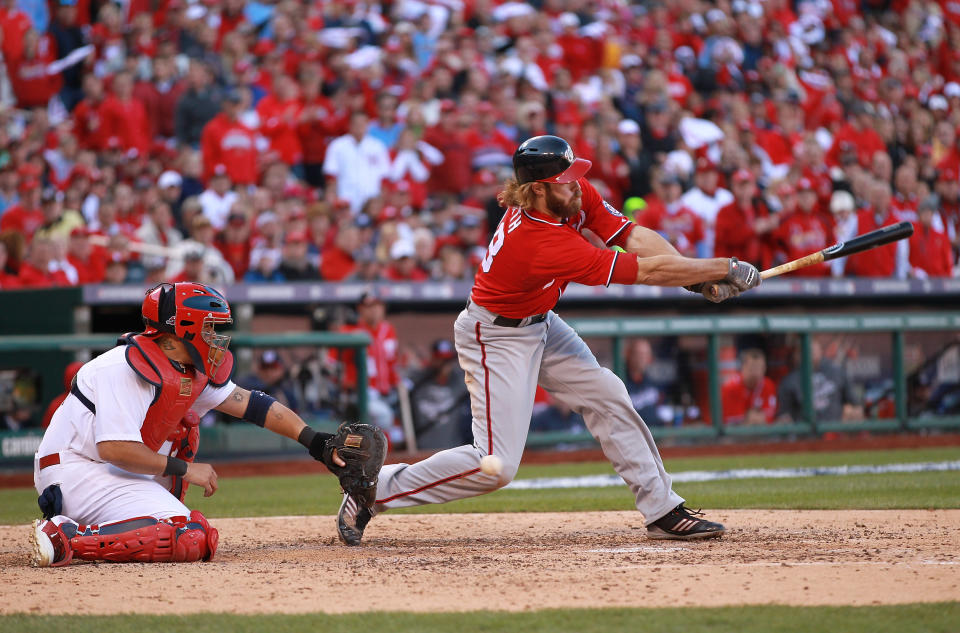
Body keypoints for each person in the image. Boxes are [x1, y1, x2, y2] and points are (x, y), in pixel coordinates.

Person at [335, 135, 761, 546]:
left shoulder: (568, 194)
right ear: (537, 189)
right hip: (495, 336)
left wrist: (693, 275)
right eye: (565, 181)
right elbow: (644, 271)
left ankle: (662, 510)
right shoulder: (538, 240)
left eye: (575, 176)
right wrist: (719, 268)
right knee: (496, 465)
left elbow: (633, 237)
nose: (576, 185)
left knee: (607, 393)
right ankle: (374, 488)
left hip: (540, 321)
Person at [30, 282, 374, 567]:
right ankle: (66, 537)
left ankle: (105, 526)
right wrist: (185, 469)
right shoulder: (122, 367)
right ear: (182, 330)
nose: (215, 336)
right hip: (76, 471)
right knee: (188, 535)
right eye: (209, 327)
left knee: (185, 430)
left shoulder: (185, 368)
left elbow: (256, 407)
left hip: (110, 472)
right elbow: (114, 448)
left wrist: (316, 442)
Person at [776, 338, 863, 424]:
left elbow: (855, 406)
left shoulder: (836, 372)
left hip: (834, 432)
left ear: (820, 351)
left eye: (814, 351)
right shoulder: (790, 381)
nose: (812, 355)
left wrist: (851, 415)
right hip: (804, 435)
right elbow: (784, 416)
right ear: (798, 355)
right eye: (808, 351)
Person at [406, 339, 471, 449]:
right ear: (433, 359)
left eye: (447, 361)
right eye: (439, 360)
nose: (444, 366)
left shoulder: (460, 384)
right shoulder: (419, 382)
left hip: (452, 449)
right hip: (423, 450)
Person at [721, 348, 778, 425]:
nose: (755, 372)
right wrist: (750, 418)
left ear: (764, 368)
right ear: (743, 368)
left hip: (764, 433)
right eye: (752, 368)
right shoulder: (730, 387)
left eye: (759, 368)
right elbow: (731, 423)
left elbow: (770, 417)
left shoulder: (769, 385)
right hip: (735, 435)